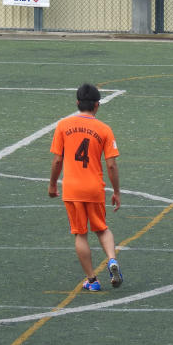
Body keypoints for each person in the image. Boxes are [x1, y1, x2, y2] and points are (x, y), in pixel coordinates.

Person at [48, 83, 123, 291]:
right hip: (94, 188)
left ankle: (92, 281)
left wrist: (53, 184)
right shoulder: (104, 129)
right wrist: (116, 191)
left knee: (80, 234)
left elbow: (57, 160)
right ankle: (112, 259)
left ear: (77, 103)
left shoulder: (63, 125)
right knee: (102, 229)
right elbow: (111, 165)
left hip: (72, 189)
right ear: (97, 105)